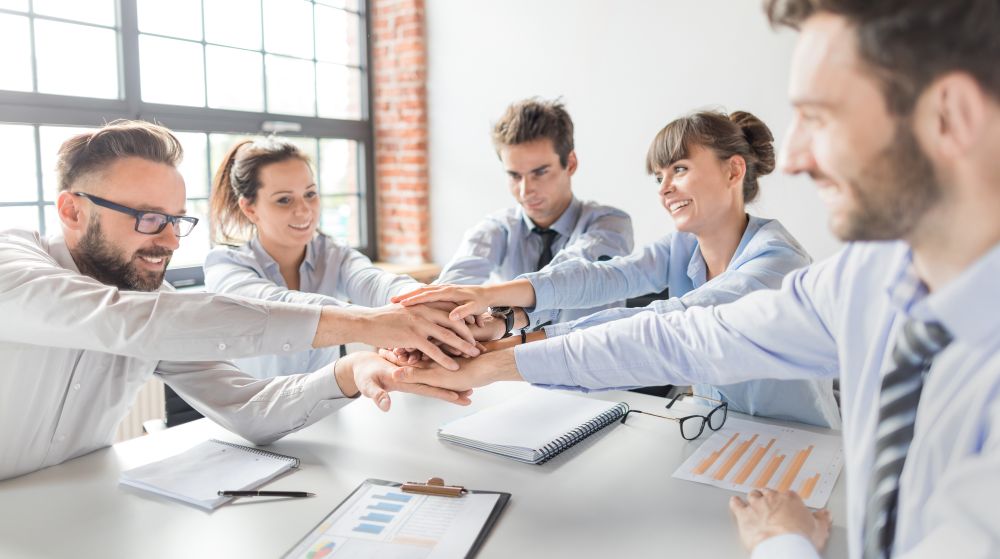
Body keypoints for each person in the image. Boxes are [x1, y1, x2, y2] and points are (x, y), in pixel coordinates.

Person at [389, 1, 1000, 557]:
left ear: (951, 115)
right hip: (716, 444)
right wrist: (492, 320)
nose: (791, 158)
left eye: (821, 116)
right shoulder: (864, 279)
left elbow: (673, 324)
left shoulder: (779, 262)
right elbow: (663, 327)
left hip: (795, 453)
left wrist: (784, 546)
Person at [0, 120, 478, 482]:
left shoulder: (154, 301)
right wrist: (366, 324)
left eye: (176, 221)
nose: (169, 243)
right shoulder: (13, 262)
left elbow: (250, 409)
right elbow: (125, 321)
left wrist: (349, 372)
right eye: (148, 218)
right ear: (72, 211)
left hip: (76, 507)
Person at [395, 110, 840, 428]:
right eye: (659, 176)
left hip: (796, 439)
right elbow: (607, 276)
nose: (664, 188)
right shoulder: (681, 247)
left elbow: (667, 323)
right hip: (716, 427)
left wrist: (508, 351)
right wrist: (491, 302)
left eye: (679, 169)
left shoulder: (774, 261)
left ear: (733, 170)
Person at [203, 137, 435, 378]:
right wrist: (373, 323)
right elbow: (276, 308)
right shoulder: (225, 265)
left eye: (310, 194)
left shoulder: (333, 255)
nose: (304, 209)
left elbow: (376, 283)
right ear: (249, 208)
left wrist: (428, 300)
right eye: (284, 200)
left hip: (326, 409)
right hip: (256, 410)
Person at [435, 97, 634, 325]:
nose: (525, 190)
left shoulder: (610, 224)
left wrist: (497, 312)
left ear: (570, 164)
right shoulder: (499, 228)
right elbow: (455, 281)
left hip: (592, 358)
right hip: (511, 359)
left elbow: (566, 278)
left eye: (539, 172)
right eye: (514, 175)